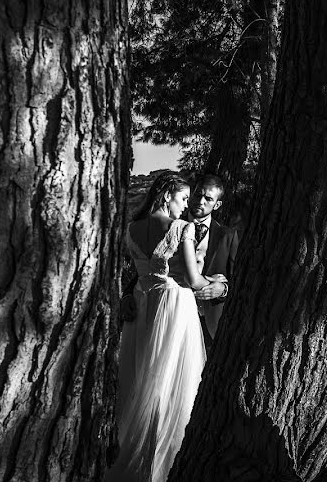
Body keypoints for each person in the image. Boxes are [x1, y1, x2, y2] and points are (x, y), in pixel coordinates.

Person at [108, 172, 222, 482]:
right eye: (184, 198)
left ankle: (135, 453)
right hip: (173, 306)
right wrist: (220, 282)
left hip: (144, 304)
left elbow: (143, 269)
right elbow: (195, 281)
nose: (187, 206)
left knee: (142, 376)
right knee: (171, 381)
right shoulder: (180, 229)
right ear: (166, 196)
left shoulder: (131, 229)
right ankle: (159, 465)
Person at [184, 174, 240, 346]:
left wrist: (223, 289)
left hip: (211, 321)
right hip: (174, 313)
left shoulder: (228, 236)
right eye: (198, 195)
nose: (201, 201)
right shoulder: (170, 226)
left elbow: (239, 279)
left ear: (217, 204)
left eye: (208, 198)